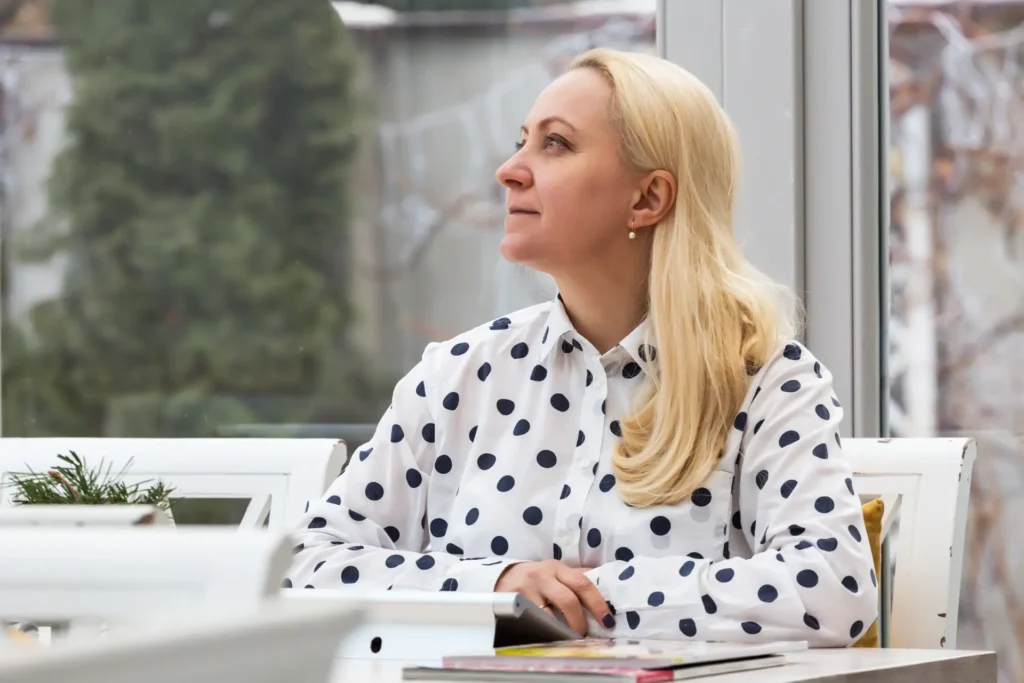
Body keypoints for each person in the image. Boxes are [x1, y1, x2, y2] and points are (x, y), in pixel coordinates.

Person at [286, 48, 878, 647]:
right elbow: (307, 564)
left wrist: (580, 601)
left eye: (556, 144)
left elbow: (832, 591)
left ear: (647, 199)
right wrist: (497, 586)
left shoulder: (768, 380)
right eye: (522, 142)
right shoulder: (457, 376)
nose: (509, 171)